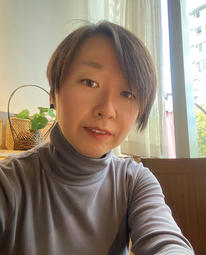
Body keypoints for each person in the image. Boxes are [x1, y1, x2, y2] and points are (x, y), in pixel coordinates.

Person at [0, 21, 194, 255]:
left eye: (127, 93)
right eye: (89, 82)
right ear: (53, 92)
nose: (107, 110)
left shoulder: (135, 181)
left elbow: (166, 242)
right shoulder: (9, 183)